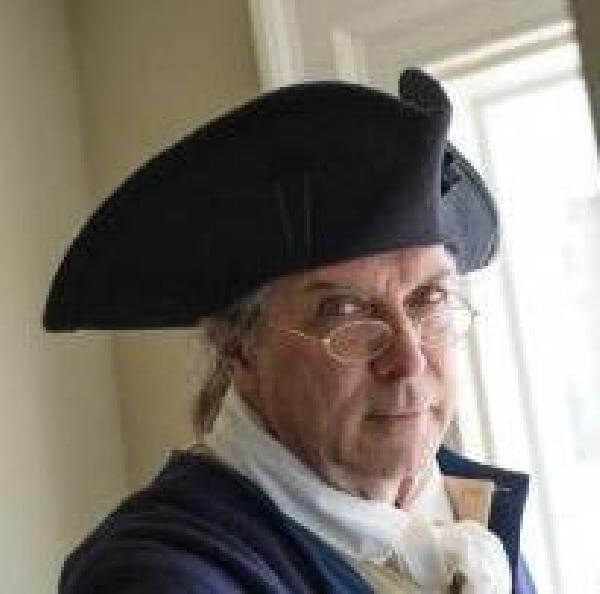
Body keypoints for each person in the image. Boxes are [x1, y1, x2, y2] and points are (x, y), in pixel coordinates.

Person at [46, 69, 536, 593]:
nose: (409, 360)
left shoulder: (466, 523)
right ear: (240, 345)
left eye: (428, 298)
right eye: (345, 311)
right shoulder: (158, 576)